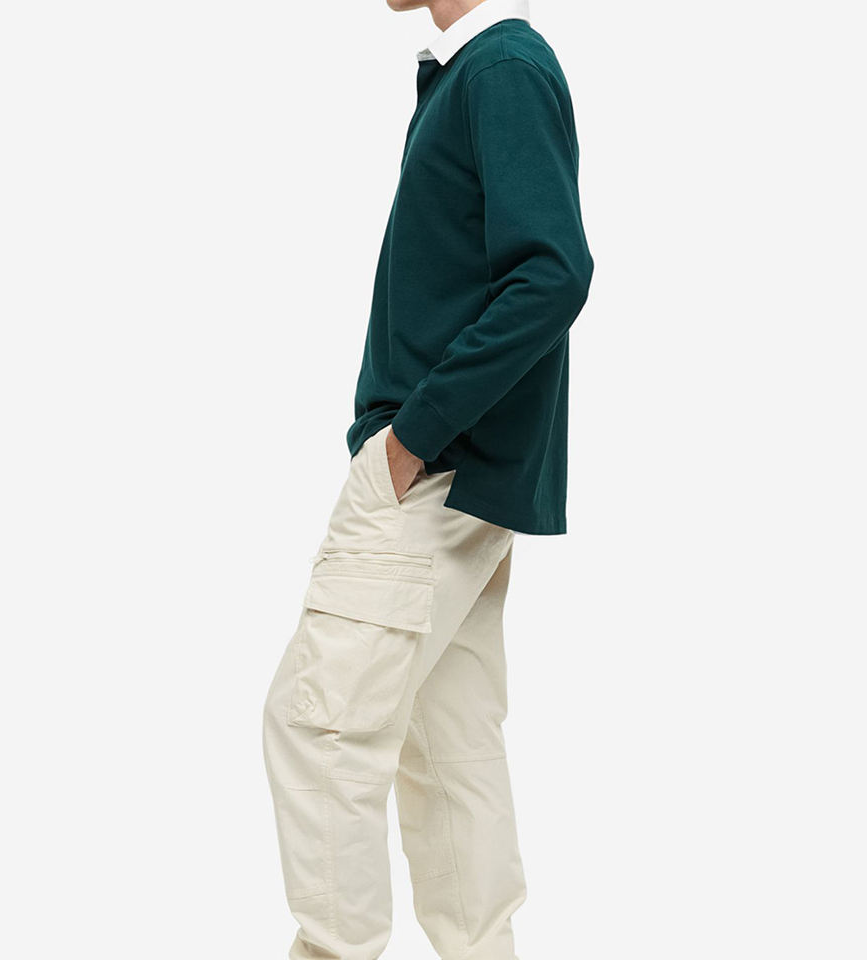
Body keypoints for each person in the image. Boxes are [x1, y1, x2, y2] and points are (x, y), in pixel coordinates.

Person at [262, 0, 593, 956]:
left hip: (429, 478)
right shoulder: (474, 72)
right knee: (447, 753)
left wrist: (414, 436)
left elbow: (553, 273)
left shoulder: (499, 70)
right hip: (461, 485)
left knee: (319, 729)